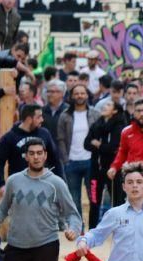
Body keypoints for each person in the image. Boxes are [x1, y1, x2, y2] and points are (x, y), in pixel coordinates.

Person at [0, 103, 63, 192]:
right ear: (29, 119)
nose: (42, 120)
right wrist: (0, 185)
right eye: (39, 117)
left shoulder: (44, 134)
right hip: (18, 188)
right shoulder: (10, 137)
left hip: (42, 186)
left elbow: (55, 160)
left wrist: (61, 183)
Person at [57, 84, 98, 227]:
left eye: (82, 93)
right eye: (77, 93)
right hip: (71, 161)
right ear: (72, 96)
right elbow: (60, 139)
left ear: (87, 95)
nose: (80, 96)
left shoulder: (95, 113)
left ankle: (93, 226)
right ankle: (78, 226)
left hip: (90, 161)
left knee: (93, 196)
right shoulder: (65, 115)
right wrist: (65, 159)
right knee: (74, 197)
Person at [84, 99, 126, 219]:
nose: (104, 106)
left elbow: (114, 147)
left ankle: (119, 229)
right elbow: (86, 144)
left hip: (113, 170)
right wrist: (102, 147)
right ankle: (92, 231)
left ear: (115, 110)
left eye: (108, 104)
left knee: (117, 201)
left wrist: (98, 145)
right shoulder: (97, 124)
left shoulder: (119, 126)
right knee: (94, 201)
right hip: (95, 169)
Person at [108, 99, 143, 182]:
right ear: (134, 113)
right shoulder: (126, 132)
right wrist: (114, 167)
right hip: (134, 177)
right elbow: (122, 152)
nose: (142, 114)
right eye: (138, 111)